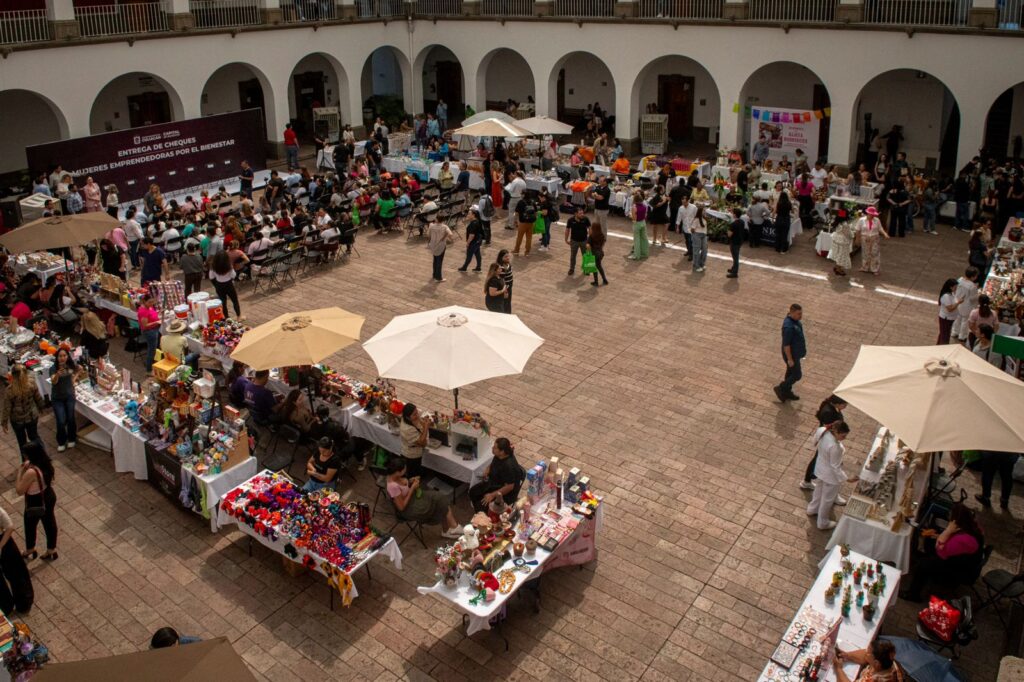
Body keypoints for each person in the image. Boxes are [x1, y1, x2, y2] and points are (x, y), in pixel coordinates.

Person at [902, 503, 984, 601]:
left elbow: (941, 552)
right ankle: (920, 562)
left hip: (959, 570)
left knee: (923, 564)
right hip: (961, 561)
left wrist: (947, 531)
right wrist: (941, 536)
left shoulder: (964, 539)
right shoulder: (972, 528)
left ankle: (913, 594)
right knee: (930, 542)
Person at [385, 458, 462, 538]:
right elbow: (401, 507)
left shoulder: (395, 475)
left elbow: (403, 487)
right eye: (404, 469)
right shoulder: (392, 486)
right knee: (439, 504)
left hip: (414, 497)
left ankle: (452, 527)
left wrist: (410, 481)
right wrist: (412, 488)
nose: (405, 470)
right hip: (409, 508)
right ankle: (450, 529)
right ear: (398, 472)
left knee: (440, 498)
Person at [806, 421, 857, 530]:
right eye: (843, 436)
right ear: (836, 432)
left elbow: (813, 441)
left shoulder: (822, 431)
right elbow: (835, 467)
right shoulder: (835, 447)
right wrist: (847, 479)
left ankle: (812, 509)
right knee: (827, 499)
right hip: (830, 476)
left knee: (818, 491)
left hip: (820, 468)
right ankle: (822, 522)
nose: (844, 438)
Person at [15, 440, 57, 562]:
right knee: (50, 522)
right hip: (48, 494)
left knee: (30, 524)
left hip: (35, 500)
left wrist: (19, 472)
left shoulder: (31, 472)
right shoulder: (45, 462)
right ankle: (51, 549)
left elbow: (19, 490)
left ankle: (30, 549)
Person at [800, 395, 848, 491]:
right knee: (818, 459)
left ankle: (809, 480)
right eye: (844, 404)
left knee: (818, 458)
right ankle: (807, 481)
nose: (845, 406)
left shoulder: (833, 408)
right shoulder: (828, 412)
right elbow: (828, 426)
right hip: (827, 439)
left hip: (830, 437)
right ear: (837, 403)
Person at [469, 438, 525, 513]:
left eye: (495, 447)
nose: (492, 448)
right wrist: (488, 468)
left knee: (481, 506)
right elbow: (494, 463)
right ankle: (479, 512)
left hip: (505, 494)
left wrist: (492, 495)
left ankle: (484, 516)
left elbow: (509, 487)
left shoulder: (509, 466)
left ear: (502, 451)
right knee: (472, 492)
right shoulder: (499, 455)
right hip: (495, 483)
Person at [2, 364, 45, 451]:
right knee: (34, 436)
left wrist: (4, 422)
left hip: (17, 420)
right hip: (32, 416)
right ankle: (43, 456)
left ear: (13, 375)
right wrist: (41, 407)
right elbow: (38, 397)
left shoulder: (10, 390)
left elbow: (7, 408)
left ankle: (26, 461)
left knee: (22, 442)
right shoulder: (31, 383)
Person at [0, 504, 33, 616]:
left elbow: (9, 527)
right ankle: (6, 606)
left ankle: (23, 603)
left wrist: (0, 546)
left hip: (4, 542)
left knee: (16, 573)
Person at [49, 347, 82, 451]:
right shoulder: (53, 368)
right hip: (57, 398)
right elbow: (53, 382)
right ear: (57, 357)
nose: (62, 358)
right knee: (60, 420)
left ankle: (72, 438)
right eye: (60, 356)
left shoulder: (70, 366)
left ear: (67, 356)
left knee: (71, 418)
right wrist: (57, 375)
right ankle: (61, 441)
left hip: (69, 396)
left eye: (64, 356)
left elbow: (71, 381)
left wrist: (77, 373)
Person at [775, 303, 806, 402]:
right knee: (797, 375)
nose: (800, 316)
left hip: (795, 354)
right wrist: (790, 359)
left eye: (801, 313)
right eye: (798, 314)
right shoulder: (788, 327)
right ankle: (781, 388)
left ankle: (786, 392)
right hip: (791, 355)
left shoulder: (795, 321)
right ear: (792, 313)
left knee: (790, 373)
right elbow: (786, 345)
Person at [833, 639, 904, 682]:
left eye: (868, 652)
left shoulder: (873, 680)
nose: (865, 651)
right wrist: (848, 655)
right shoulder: (888, 660)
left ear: (876, 663)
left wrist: (838, 668)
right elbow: (864, 655)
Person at [208, 250, 243, 319]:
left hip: (219, 285)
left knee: (223, 303)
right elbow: (233, 275)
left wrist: (216, 284)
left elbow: (211, 277)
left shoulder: (213, 266)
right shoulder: (229, 266)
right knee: (234, 300)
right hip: (229, 284)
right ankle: (239, 317)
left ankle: (227, 318)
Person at [857, 206, 889, 275]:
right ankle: (865, 267)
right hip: (865, 238)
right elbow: (858, 230)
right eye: (871, 214)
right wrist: (858, 239)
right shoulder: (861, 220)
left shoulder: (877, 220)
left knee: (875, 253)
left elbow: (880, 228)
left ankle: (874, 269)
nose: (872, 216)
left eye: (873, 214)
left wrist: (884, 234)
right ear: (868, 213)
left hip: (875, 238)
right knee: (865, 253)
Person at [399, 403, 429, 478]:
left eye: (417, 412)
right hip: (411, 456)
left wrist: (422, 421)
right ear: (408, 417)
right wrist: (426, 427)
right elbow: (422, 442)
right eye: (414, 414)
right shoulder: (407, 429)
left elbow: (418, 421)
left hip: (413, 451)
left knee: (416, 471)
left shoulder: (408, 419)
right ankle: (413, 487)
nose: (417, 415)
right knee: (413, 476)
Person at [952, 267, 979, 345]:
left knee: (957, 319)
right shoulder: (972, 286)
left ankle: (954, 332)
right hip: (967, 305)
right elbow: (972, 299)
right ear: (972, 276)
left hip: (958, 302)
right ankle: (962, 336)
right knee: (965, 321)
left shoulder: (960, 280)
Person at [137, 293, 162, 374]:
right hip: (150, 332)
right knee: (151, 350)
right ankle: (148, 370)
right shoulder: (143, 311)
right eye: (150, 302)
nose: (152, 304)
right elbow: (145, 325)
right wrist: (157, 322)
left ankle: (155, 362)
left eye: (152, 302)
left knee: (154, 348)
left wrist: (159, 312)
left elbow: (151, 315)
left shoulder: (149, 307)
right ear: (144, 301)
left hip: (154, 329)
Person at [427, 215, 453, 283]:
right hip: (441, 245)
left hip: (433, 244)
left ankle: (434, 274)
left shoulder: (431, 226)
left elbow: (428, 235)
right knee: (439, 261)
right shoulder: (444, 227)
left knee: (435, 260)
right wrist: (444, 237)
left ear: (437, 219)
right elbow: (450, 234)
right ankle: (438, 277)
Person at [565, 206, 590, 276]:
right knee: (573, 256)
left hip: (584, 241)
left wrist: (590, 241)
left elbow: (590, 229)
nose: (582, 214)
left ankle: (586, 269)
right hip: (574, 241)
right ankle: (572, 269)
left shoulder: (586, 219)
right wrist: (566, 239)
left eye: (582, 213)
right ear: (575, 214)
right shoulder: (570, 220)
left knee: (585, 256)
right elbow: (567, 230)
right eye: (580, 213)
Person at [512, 190, 538, 257]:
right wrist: (534, 221)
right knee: (529, 238)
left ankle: (516, 251)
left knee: (519, 237)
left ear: (524, 195)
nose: (521, 195)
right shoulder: (533, 202)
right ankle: (527, 252)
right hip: (531, 223)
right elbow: (536, 212)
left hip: (523, 223)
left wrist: (515, 221)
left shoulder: (521, 202)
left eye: (522, 194)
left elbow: (516, 213)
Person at [458, 206, 483, 273]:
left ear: (473, 215)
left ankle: (464, 267)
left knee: (469, 255)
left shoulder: (473, 224)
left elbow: (471, 235)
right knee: (477, 254)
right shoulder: (477, 221)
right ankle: (478, 267)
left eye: (469, 214)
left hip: (473, 242)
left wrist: (468, 243)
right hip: (478, 241)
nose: (468, 215)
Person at [936, 278, 961, 345]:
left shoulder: (951, 294)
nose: (956, 288)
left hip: (949, 318)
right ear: (950, 287)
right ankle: (942, 349)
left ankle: (938, 346)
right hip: (946, 318)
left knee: (943, 334)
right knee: (945, 336)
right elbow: (950, 309)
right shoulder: (946, 296)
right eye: (955, 287)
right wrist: (958, 302)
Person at [586, 218, 609, 287]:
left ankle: (596, 282)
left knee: (594, 267)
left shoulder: (591, 236)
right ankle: (604, 279)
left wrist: (588, 252)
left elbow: (587, 245)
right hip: (600, 253)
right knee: (599, 266)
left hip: (593, 253)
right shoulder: (602, 235)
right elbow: (603, 242)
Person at [628, 191, 649, 261]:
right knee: (644, 238)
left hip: (637, 224)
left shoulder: (634, 207)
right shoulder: (645, 206)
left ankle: (636, 255)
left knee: (636, 240)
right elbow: (645, 215)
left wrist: (630, 215)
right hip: (643, 223)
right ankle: (644, 253)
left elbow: (634, 218)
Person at [725, 207, 744, 279]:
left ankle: (735, 272)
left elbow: (729, 234)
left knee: (735, 258)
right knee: (736, 256)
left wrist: (728, 230)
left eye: (733, 213)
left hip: (734, 242)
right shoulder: (742, 222)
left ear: (735, 215)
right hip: (739, 241)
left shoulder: (733, 224)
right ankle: (733, 268)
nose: (732, 214)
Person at [690, 205, 708, 273]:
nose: (705, 211)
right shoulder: (696, 219)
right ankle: (696, 265)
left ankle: (702, 263)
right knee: (696, 250)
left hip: (704, 235)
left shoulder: (705, 218)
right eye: (704, 210)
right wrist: (695, 236)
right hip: (697, 235)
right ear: (700, 212)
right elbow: (692, 229)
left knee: (705, 250)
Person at [497, 249, 514, 314]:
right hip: (506, 288)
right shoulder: (502, 268)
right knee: (506, 303)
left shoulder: (508, 264)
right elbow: (502, 281)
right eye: (505, 257)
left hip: (509, 287)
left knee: (508, 302)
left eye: (508, 256)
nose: (507, 258)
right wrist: (505, 291)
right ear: (501, 258)